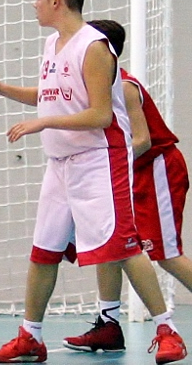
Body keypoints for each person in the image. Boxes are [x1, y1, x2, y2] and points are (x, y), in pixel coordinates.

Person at [0, 0, 186, 365]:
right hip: (60, 163)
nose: (33, 4)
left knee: (123, 248)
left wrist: (44, 121)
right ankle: (30, 337)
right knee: (43, 251)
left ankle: (167, 329)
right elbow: (49, 94)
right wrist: (1, 89)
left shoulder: (95, 46)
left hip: (98, 161)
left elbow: (101, 115)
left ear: (56, 0)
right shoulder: (53, 44)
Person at [62, 19, 192, 355]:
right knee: (110, 241)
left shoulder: (124, 85)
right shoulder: (96, 87)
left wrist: (104, 162)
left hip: (157, 168)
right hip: (128, 172)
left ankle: (157, 325)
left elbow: (143, 140)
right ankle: (108, 324)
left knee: (166, 255)